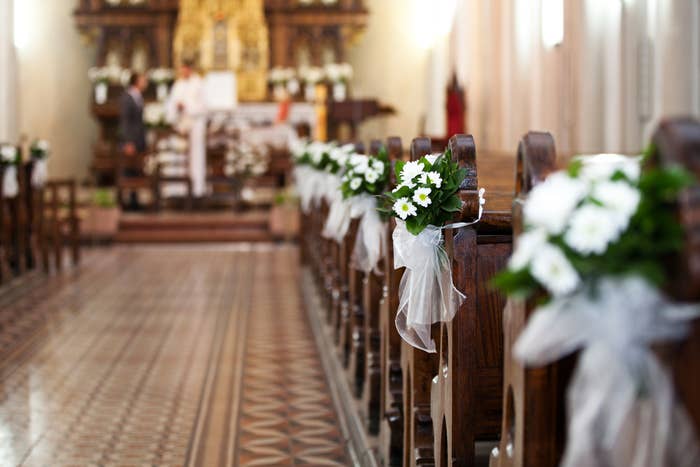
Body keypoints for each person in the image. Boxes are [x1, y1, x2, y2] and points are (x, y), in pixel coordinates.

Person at [166, 60, 208, 199]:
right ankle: (176, 190)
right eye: (181, 69)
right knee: (177, 156)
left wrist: (187, 107)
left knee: (195, 157)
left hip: (195, 126)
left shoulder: (199, 84)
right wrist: (176, 109)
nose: (182, 72)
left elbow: (204, 106)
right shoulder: (178, 84)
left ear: (190, 69)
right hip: (180, 125)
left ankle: (197, 189)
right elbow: (170, 104)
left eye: (185, 69)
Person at [119, 72, 148, 210]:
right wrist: (128, 142)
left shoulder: (138, 96)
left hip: (139, 140)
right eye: (143, 79)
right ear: (136, 81)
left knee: (136, 170)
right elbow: (125, 122)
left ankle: (135, 200)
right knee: (129, 170)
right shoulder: (127, 97)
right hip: (131, 141)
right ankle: (128, 202)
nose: (146, 81)